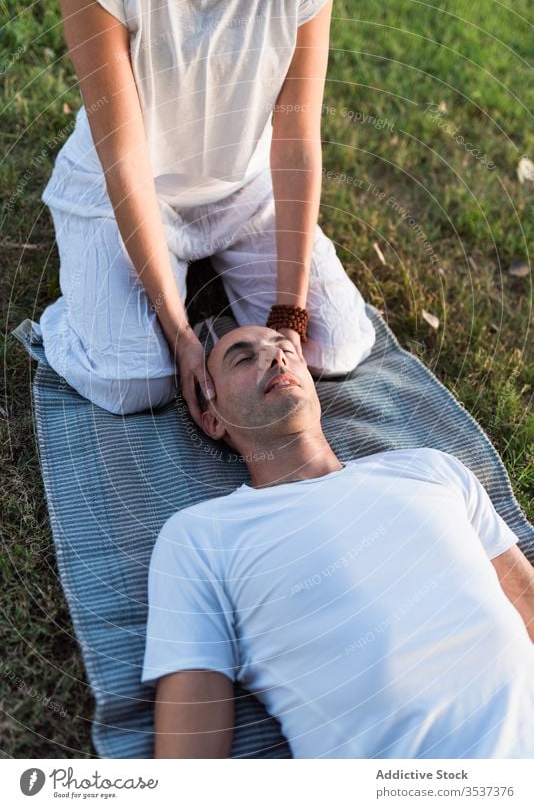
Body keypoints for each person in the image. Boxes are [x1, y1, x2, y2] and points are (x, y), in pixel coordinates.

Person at [141, 324, 534, 759]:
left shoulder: (432, 469)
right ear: (213, 419)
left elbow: (528, 602)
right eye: (243, 357)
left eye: (285, 348)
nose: (276, 358)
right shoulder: (200, 537)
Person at [36, 0, 376, 423]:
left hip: (246, 190)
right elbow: (124, 159)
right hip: (122, 191)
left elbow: (296, 140)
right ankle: (77, 307)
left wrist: (289, 315)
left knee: (336, 344)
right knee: (134, 380)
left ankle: (192, 272)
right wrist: (180, 335)